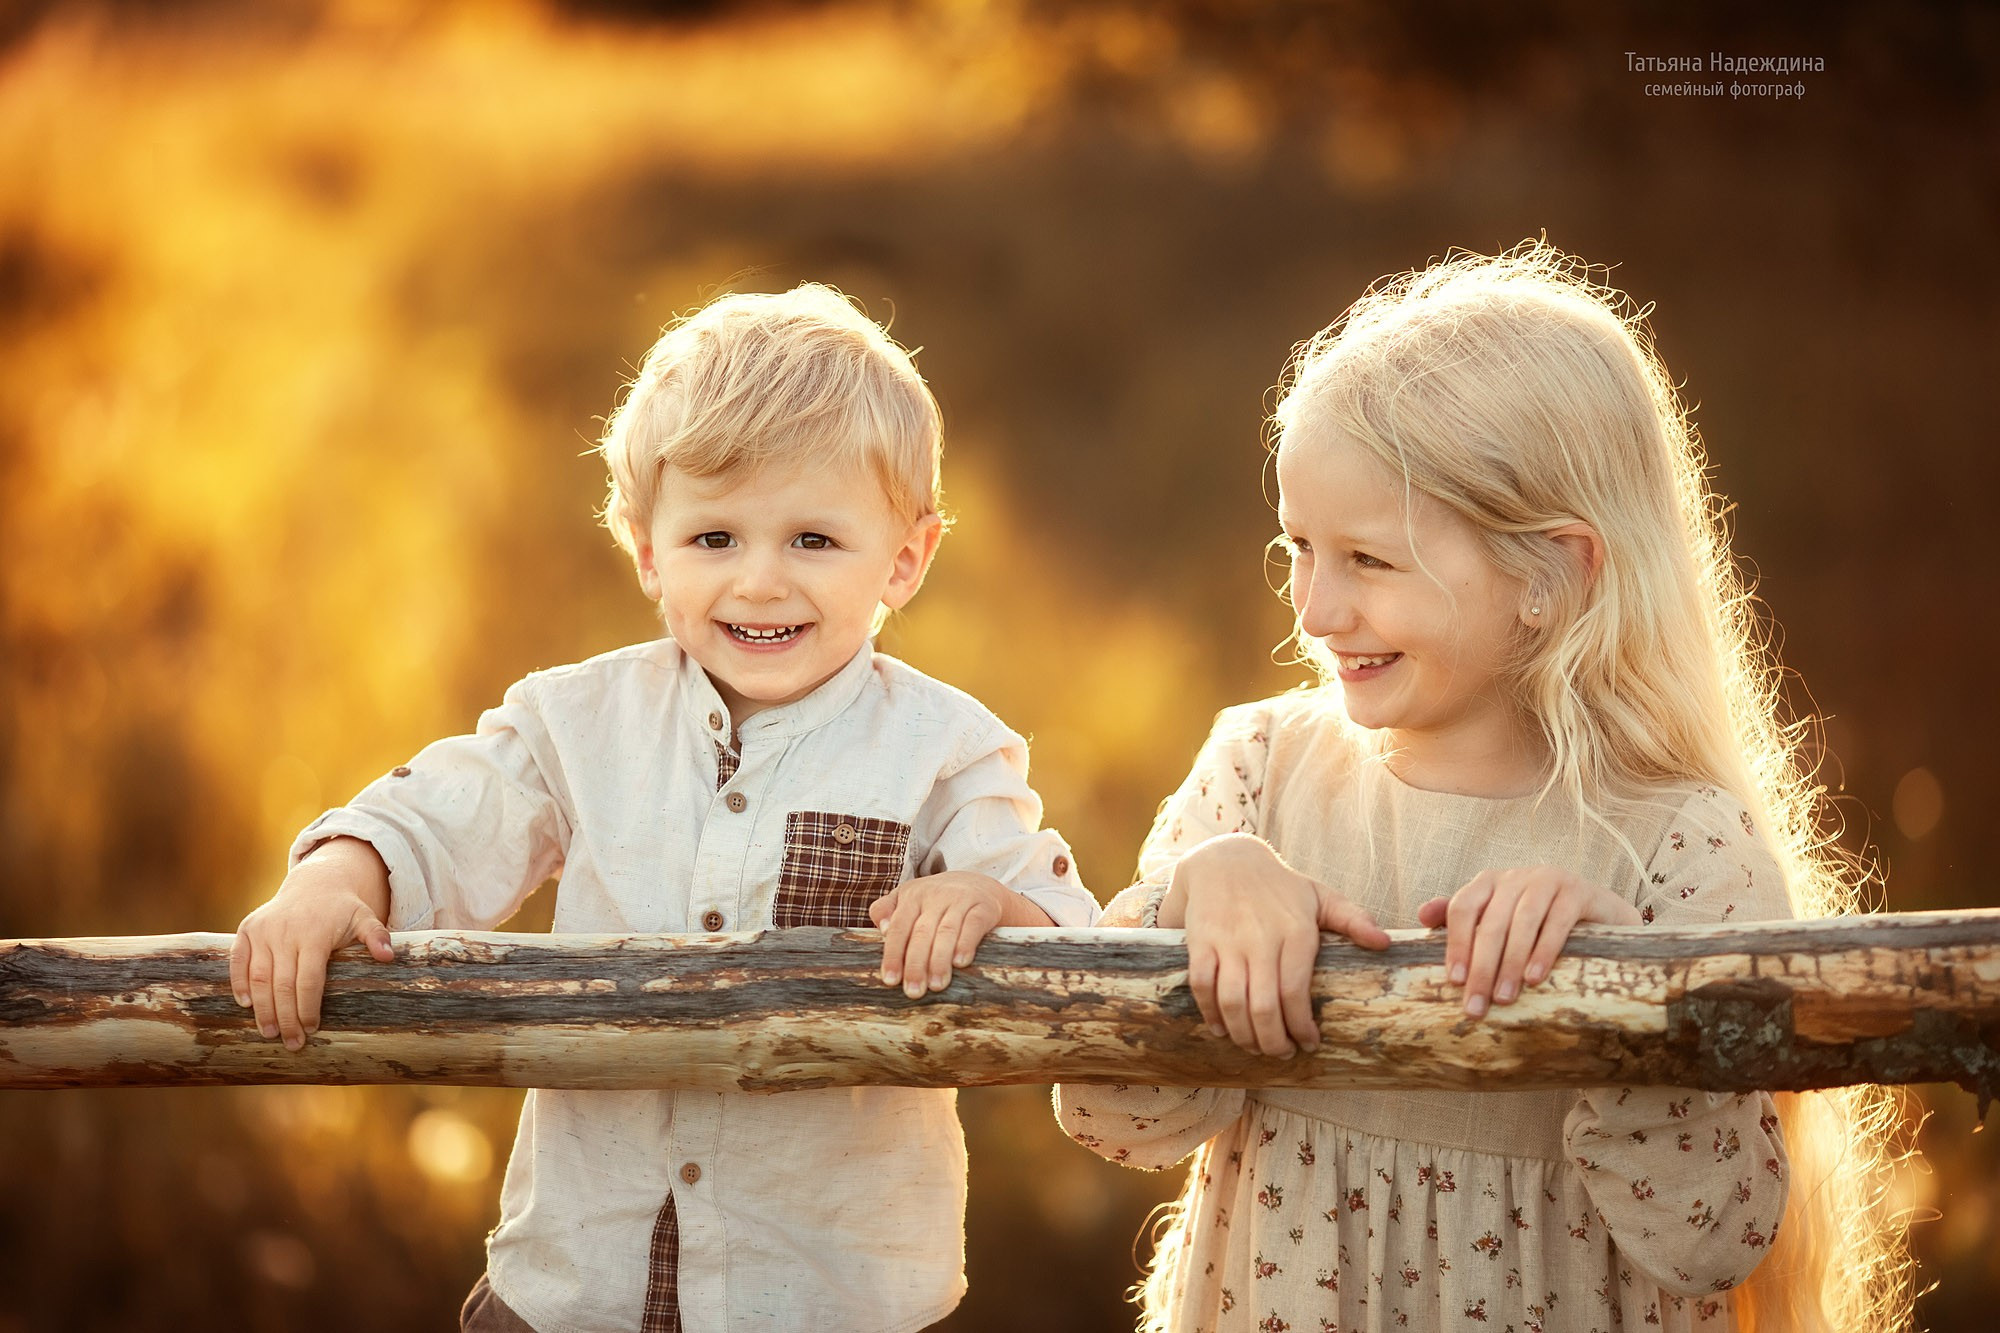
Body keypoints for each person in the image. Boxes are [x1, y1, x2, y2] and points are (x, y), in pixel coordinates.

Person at [1055, 245, 1911, 1332]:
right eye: (1299, 547)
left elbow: (1710, 1242)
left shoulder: (1678, 844)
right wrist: (1189, 904)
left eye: (1369, 560)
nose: (1312, 609)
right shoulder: (1258, 774)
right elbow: (1113, 1118)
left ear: (1548, 574)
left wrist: (1622, 995)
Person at [230, 283, 1098, 1333]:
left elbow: (1070, 937)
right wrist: (335, 879)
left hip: (825, 1299)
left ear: (904, 558)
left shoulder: (942, 750)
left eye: (813, 540)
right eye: (714, 539)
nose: (761, 581)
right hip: (571, 1290)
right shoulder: (577, 722)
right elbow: (442, 819)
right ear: (647, 550)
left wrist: (988, 904)